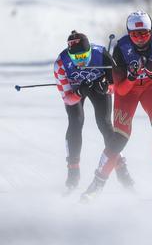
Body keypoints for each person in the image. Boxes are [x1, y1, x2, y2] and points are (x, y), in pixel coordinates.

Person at [81, 11, 152, 200]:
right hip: (128, 92)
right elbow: (120, 90)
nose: (140, 39)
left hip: (151, 89)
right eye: (135, 35)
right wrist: (131, 77)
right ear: (129, 33)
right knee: (119, 139)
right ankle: (97, 184)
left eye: (144, 34)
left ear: (151, 31)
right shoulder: (121, 49)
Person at [53, 31, 134, 191]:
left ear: (89, 50)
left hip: (99, 89)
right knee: (76, 121)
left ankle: (120, 168)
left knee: (104, 124)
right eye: (76, 58)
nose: (81, 60)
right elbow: (67, 98)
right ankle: (73, 171)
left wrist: (106, 87)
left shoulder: (101, 54)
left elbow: (118, 86)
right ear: (70, 55)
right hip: (76, 91)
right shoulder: (61, 64)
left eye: (84, 55)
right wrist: (78, 92)